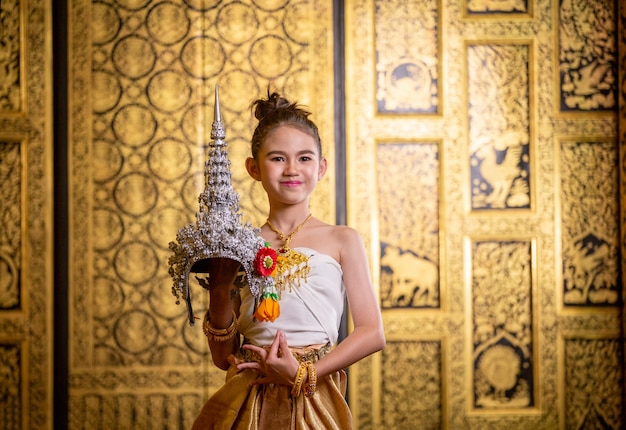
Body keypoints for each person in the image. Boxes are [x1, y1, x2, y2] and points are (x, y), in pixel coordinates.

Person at [191, 89, 386, 429]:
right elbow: (224, 357)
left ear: (322, 167)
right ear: (254, 168)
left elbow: (371, 333)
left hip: (313, 391)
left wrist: (302, 372)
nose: (292, 169)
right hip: (249, 394)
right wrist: (219, 291)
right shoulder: (241, 243)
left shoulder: (343, 240)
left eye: (305, 158)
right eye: (278, 158)